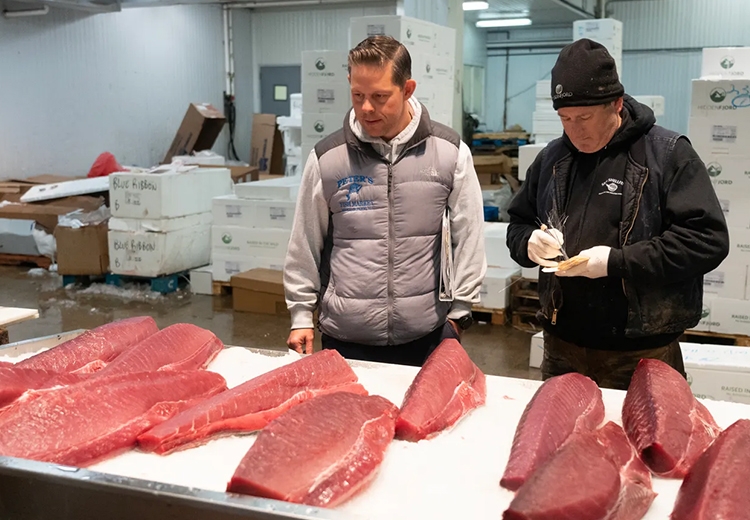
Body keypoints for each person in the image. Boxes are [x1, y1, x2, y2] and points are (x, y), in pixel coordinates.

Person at [506, 38, 729, 390]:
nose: (575, 130)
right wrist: (527, 242)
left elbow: (706, 241)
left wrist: (618, 262)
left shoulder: (667, 155)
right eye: (565, 118)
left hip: (642, 353)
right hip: (562, 348)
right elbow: (518, 222)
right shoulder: (552, 159)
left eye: (585, 117)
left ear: (617, 104)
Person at [283, 35, 486, 366]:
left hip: (425, 335)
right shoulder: (327, 158)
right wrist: (301, 314)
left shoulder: (449, 152)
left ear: (407, 89)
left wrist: (461, 310)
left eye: (379, 97)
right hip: (345, 336)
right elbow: (305, 240)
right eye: (358, 95)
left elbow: (470, 234)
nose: (365, 107)